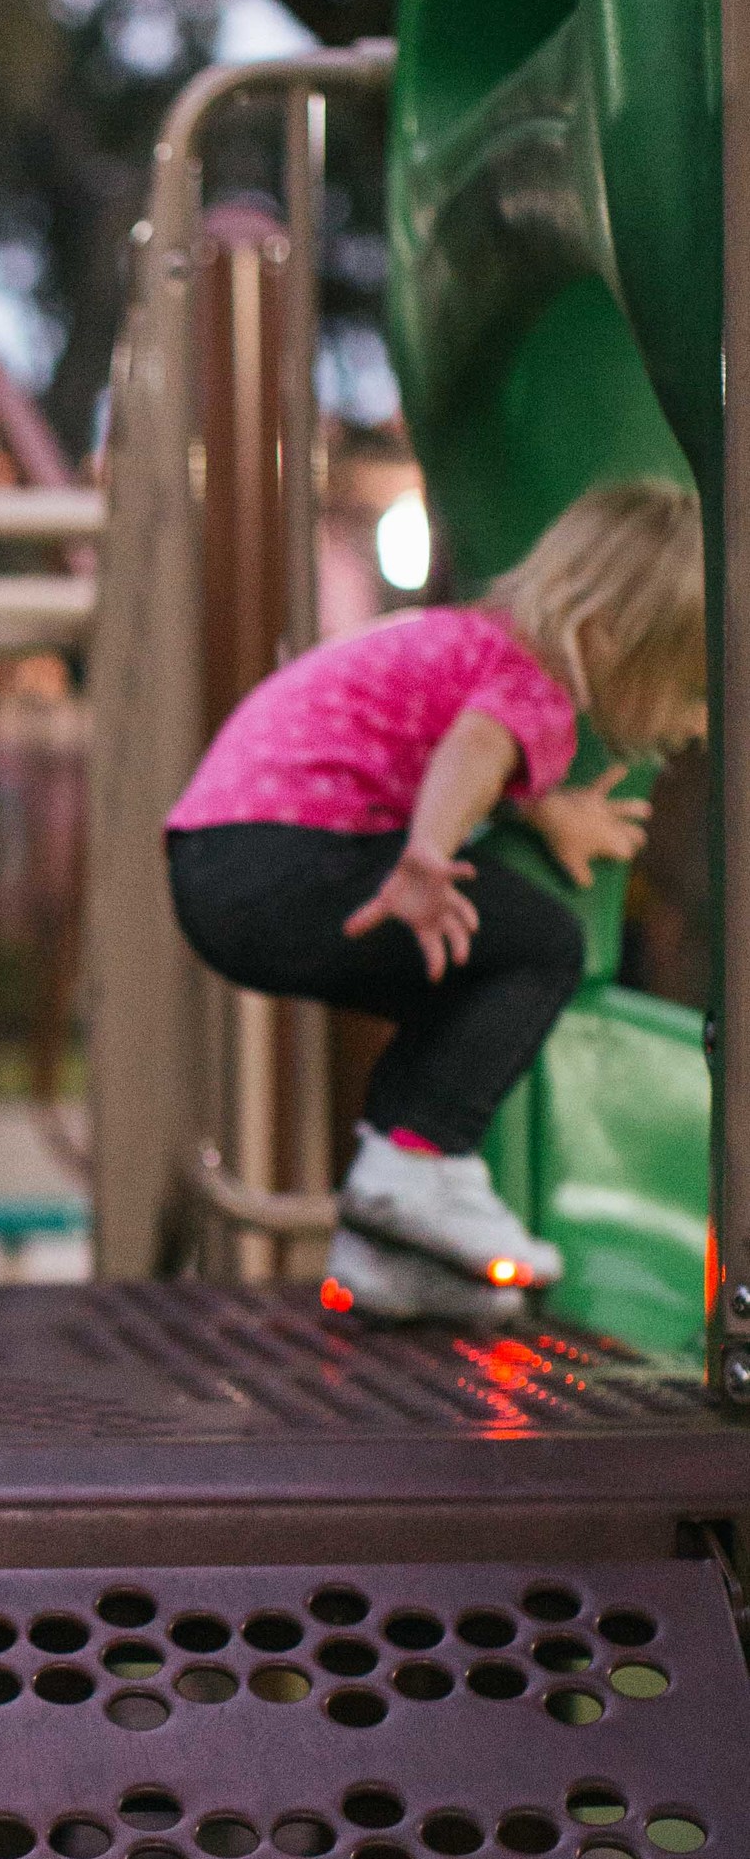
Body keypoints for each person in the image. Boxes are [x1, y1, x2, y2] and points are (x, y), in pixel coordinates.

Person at [164, 477, 706, 1321]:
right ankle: (418, 1163)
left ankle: (383, 1252)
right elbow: (475, 744)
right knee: (540, 947)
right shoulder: (534, 687)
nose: (696, 720)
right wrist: (426, 856)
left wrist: (544, 809)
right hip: (285, 854)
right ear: (607, 636)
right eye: (685, 688)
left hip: (223, 859)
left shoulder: (474, 646)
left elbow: (450, 744)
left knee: (461, 971)